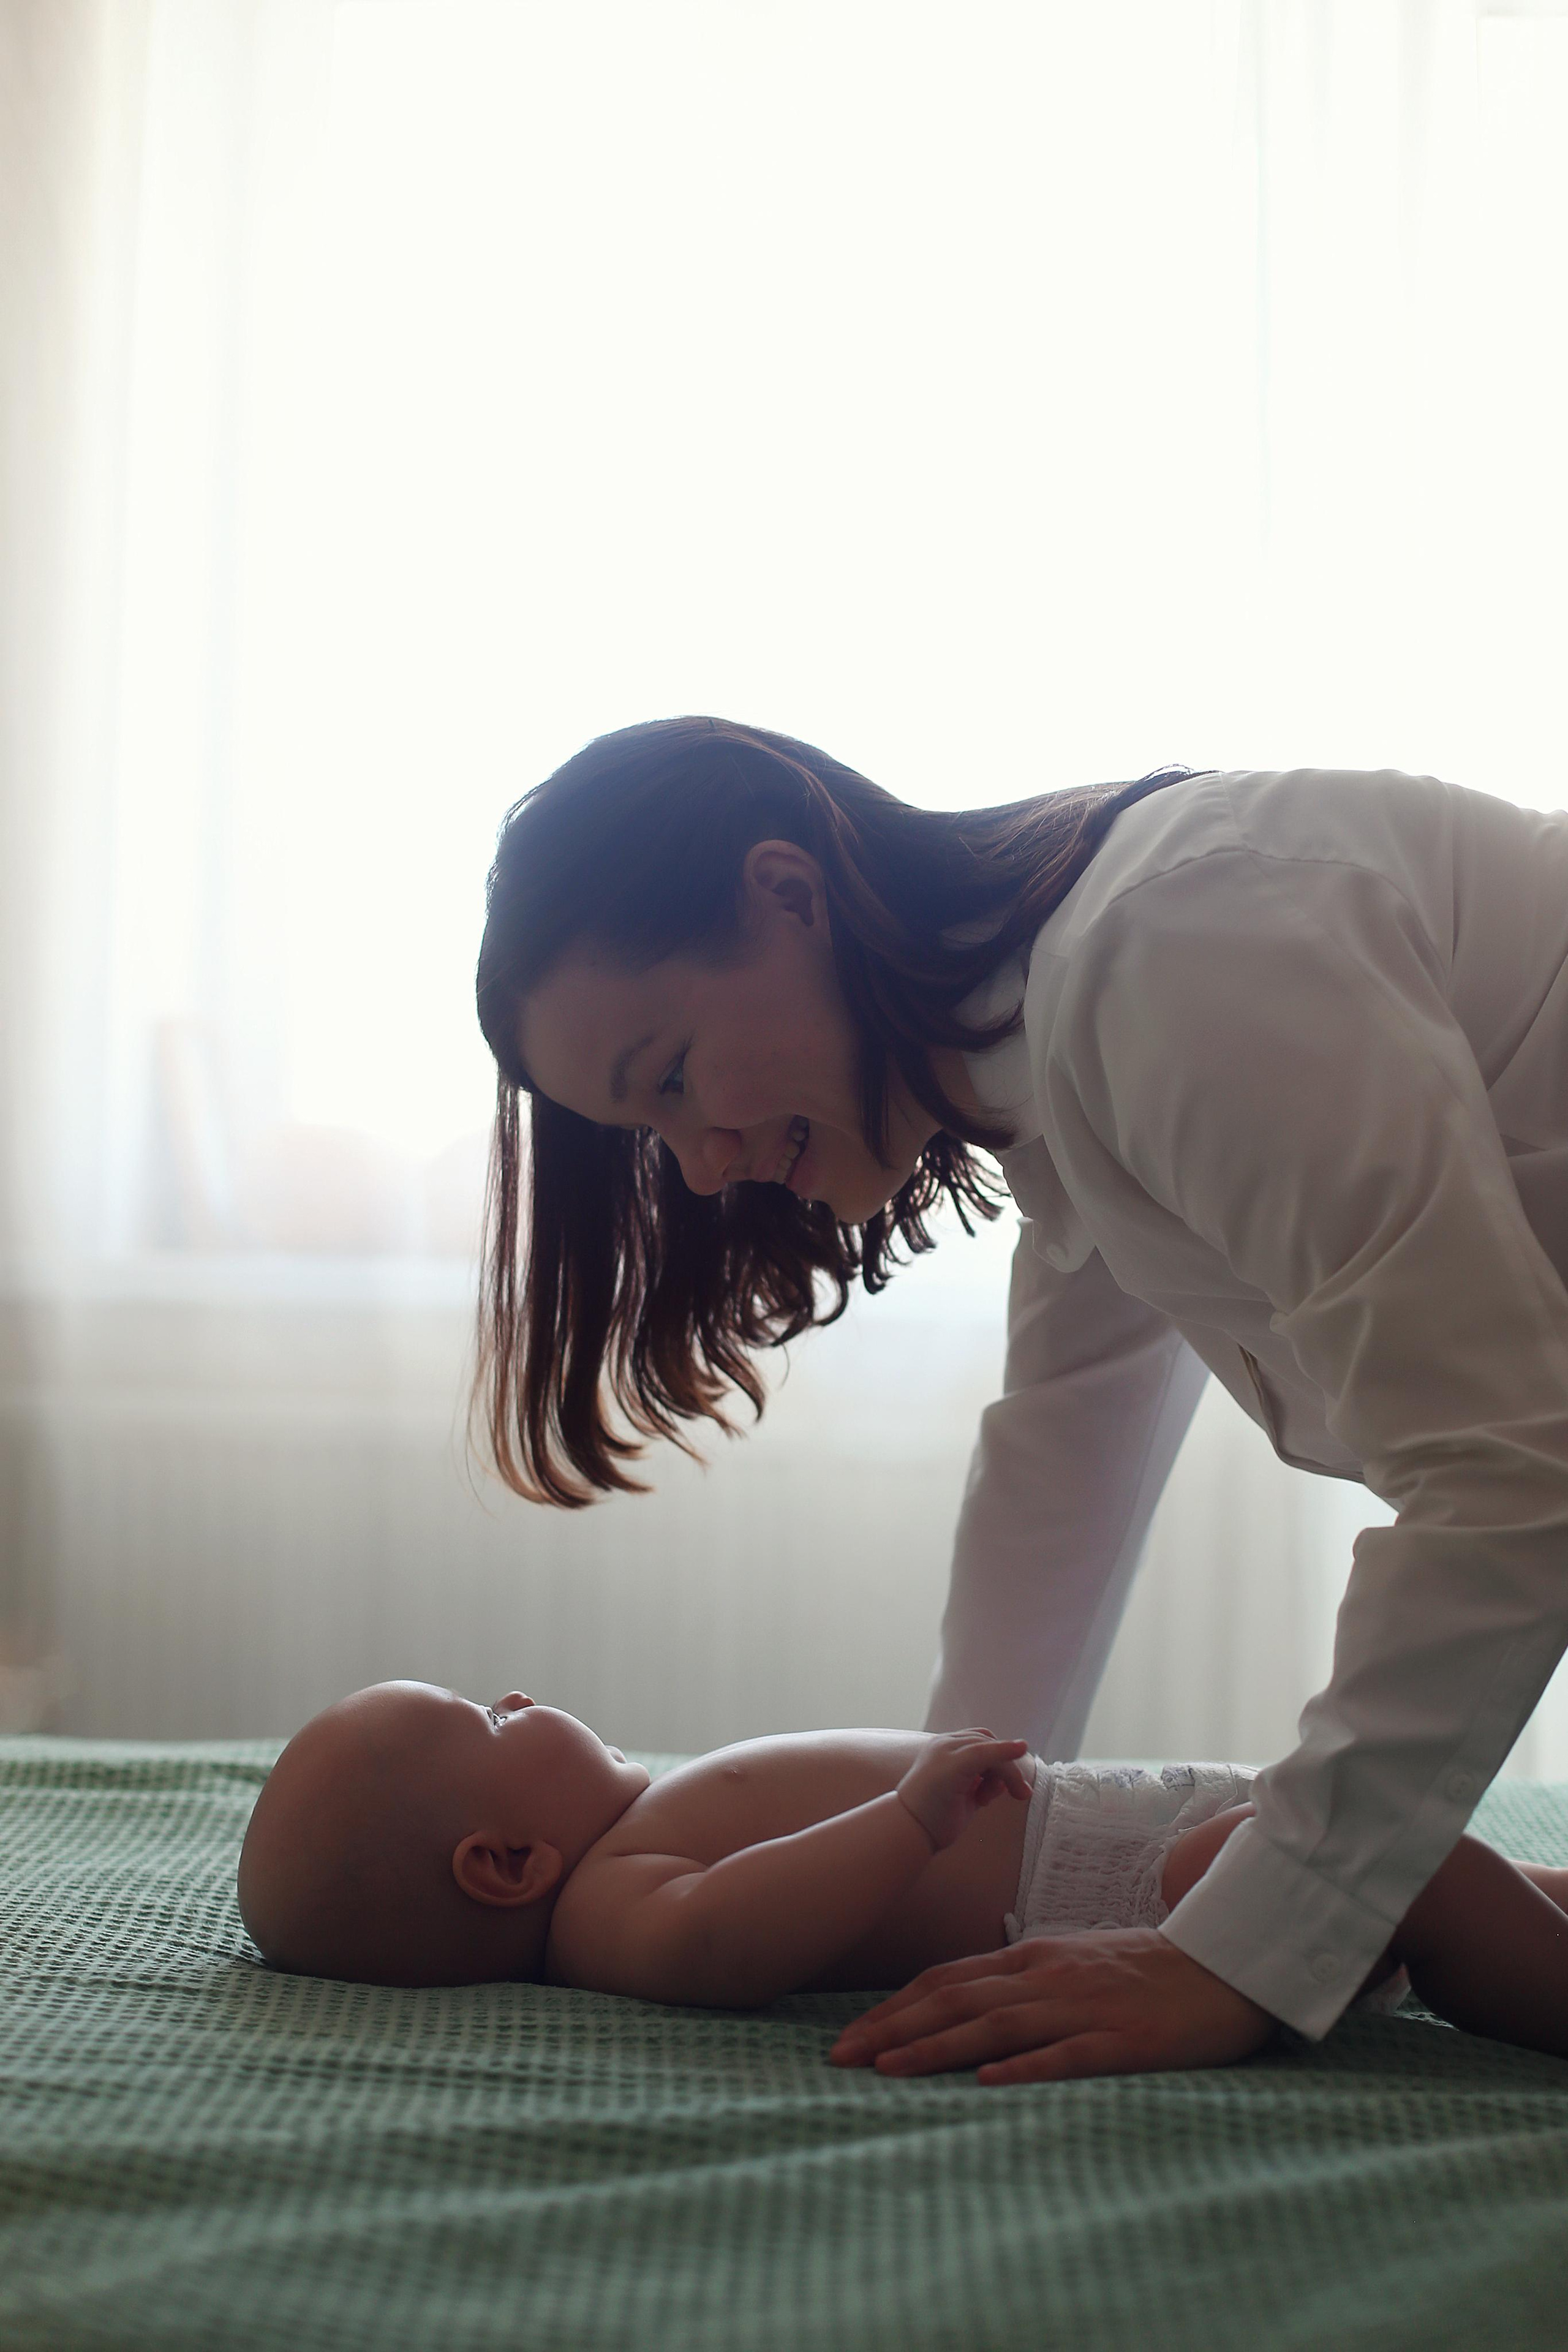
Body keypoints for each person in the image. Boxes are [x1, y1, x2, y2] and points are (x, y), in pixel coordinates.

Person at [469, 715, 1568, 2081]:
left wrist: (1240, 1957)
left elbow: (1505, 1469)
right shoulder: (1061, 1064)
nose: (698, 1169)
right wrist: (957, 1837)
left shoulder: (1168, 959)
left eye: (675, 1077)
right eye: (652, 1131)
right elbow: (1060, 1467)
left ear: (788, 894)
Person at [236, 1682, 1568, 2073]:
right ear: (505, 1864)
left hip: (1145, 1826)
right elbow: (719, 1941)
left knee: (1468, 1871)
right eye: (490, 1715)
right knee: (1413, 1873)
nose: (524, 1695)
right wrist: (903, 1821)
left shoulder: (631, 1828)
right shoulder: (606, 1908)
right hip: (1148, 1903)